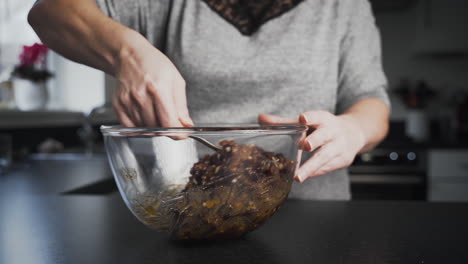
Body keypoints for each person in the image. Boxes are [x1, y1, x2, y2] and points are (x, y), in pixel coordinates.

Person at [28, 0, 390, 200]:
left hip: (316, 219)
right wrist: (128, 54)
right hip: (189, 209)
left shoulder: (344, 6)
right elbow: (49, 13)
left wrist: (354, 128)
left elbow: (370, 100)